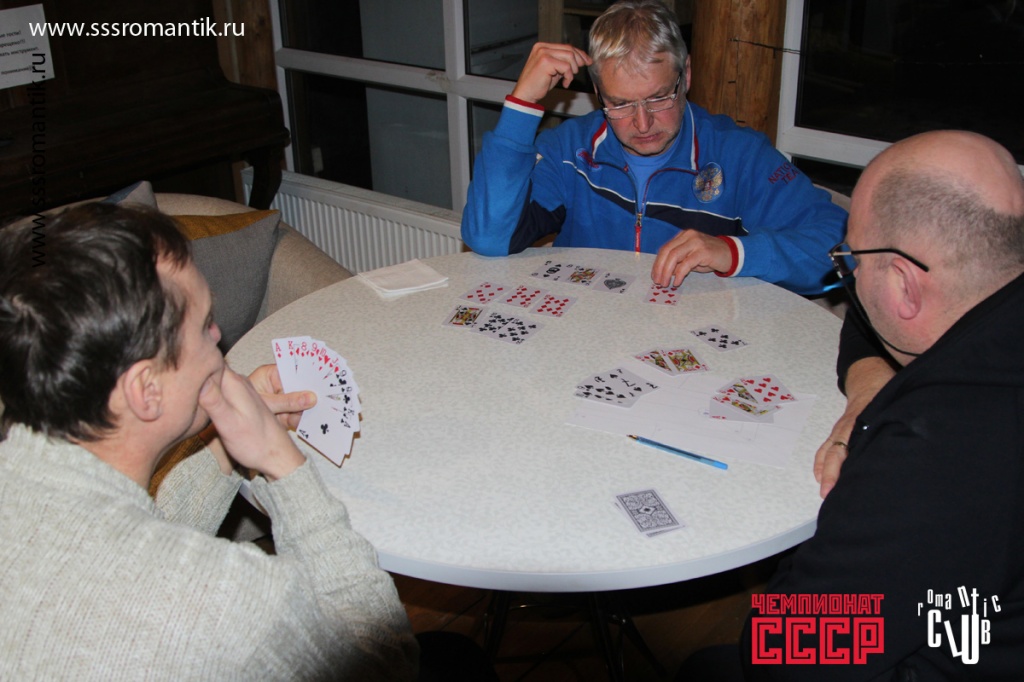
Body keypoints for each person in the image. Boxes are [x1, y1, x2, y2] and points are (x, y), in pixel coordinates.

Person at [0, 203, 419, 680]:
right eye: (204, 327)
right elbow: (383, 661)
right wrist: (284, 465)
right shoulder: (228, 601)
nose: (220, 336)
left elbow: (112, 549)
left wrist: (222, 445)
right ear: (146, 390)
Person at [733, 130, 1024, 679]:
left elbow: (789, 653)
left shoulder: (933, 455)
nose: (846, 276)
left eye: (852, 262)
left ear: (905, 286)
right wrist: (867, 393)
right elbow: (871, 324)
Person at [460, 0, 847, 296]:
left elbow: (841, 249)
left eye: (659, 97)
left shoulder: (740, 156)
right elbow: (489, 238)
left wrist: (732, 252)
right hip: (586, 339)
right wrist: (521, 105)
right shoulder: (571, 150)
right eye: (620, 103)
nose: (642, 124)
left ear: (686, 75)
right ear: (597, 92)